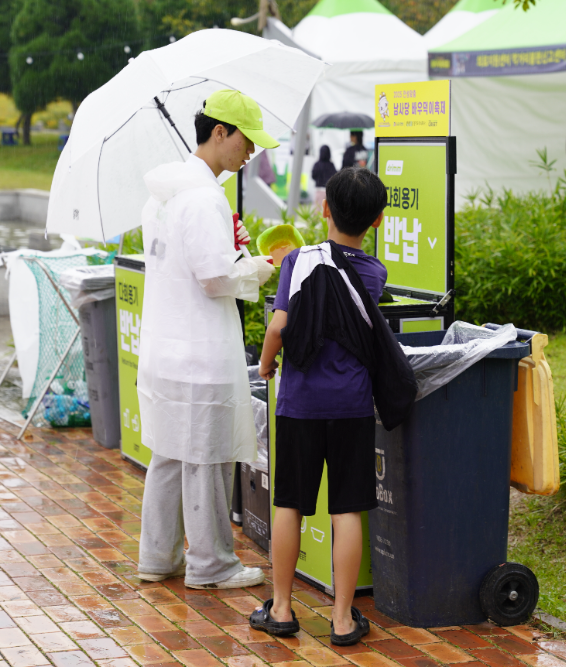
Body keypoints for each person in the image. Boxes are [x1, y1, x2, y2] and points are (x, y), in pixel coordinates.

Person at [136, 89, 277, 588]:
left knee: (171, 455)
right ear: (221, 133)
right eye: (246, 141)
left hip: (165, 348)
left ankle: (158, 557)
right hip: (200, 351)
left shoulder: (165, 194)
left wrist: (230, 247)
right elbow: (214, 279)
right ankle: (212, 564)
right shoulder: (201, 197)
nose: (250, 153)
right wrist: (258, 267)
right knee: (207, 456)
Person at [249, 168, 391, 646]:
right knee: (347, 508)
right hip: (351, 404)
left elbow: (278, 329)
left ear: (325, 209)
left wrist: (267, 367)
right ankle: (344, 618)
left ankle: (284, 609)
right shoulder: (374, 272)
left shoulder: (299, 261)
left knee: (289, 502)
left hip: (300, 403)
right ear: (376, 221)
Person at [311, 145, 337, 210]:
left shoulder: (317, 164)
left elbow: (313, 176)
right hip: (328, 190)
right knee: (328, 211)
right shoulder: (331, 165)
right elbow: (335, 176)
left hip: (319, 189)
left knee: (317, 210)